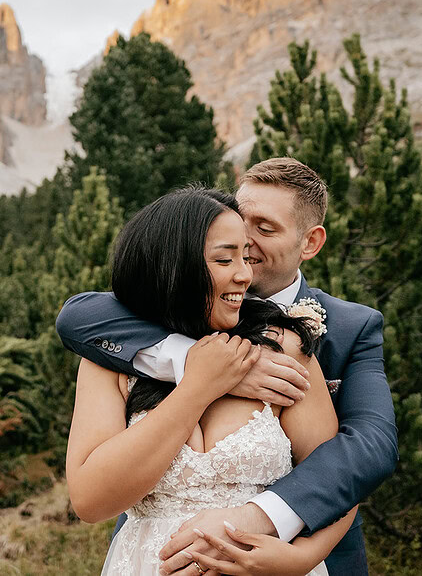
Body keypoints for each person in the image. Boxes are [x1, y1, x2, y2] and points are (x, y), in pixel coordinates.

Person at [57, 158, 398, 575]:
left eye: (265, 229)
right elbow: (76, 316)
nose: (246, 251)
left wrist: (295, 550)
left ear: (309, 243)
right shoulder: (124, 338)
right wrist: (196, 368)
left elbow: (366, 452)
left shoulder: (319, 336)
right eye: (231, 243)